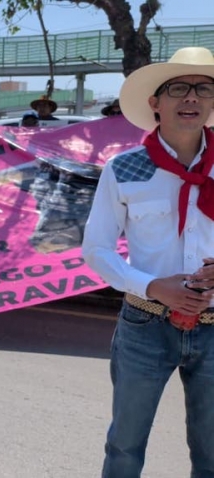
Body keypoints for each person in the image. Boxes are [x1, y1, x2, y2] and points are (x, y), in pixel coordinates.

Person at [81, 46, 214, 477]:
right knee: (124, 447)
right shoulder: (124, 169)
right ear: (156, 103)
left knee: (212, 453)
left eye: (204, 88)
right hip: (145, 323)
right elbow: (96, 249)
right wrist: (155, 286)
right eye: (178, 88)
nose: (191, 98)